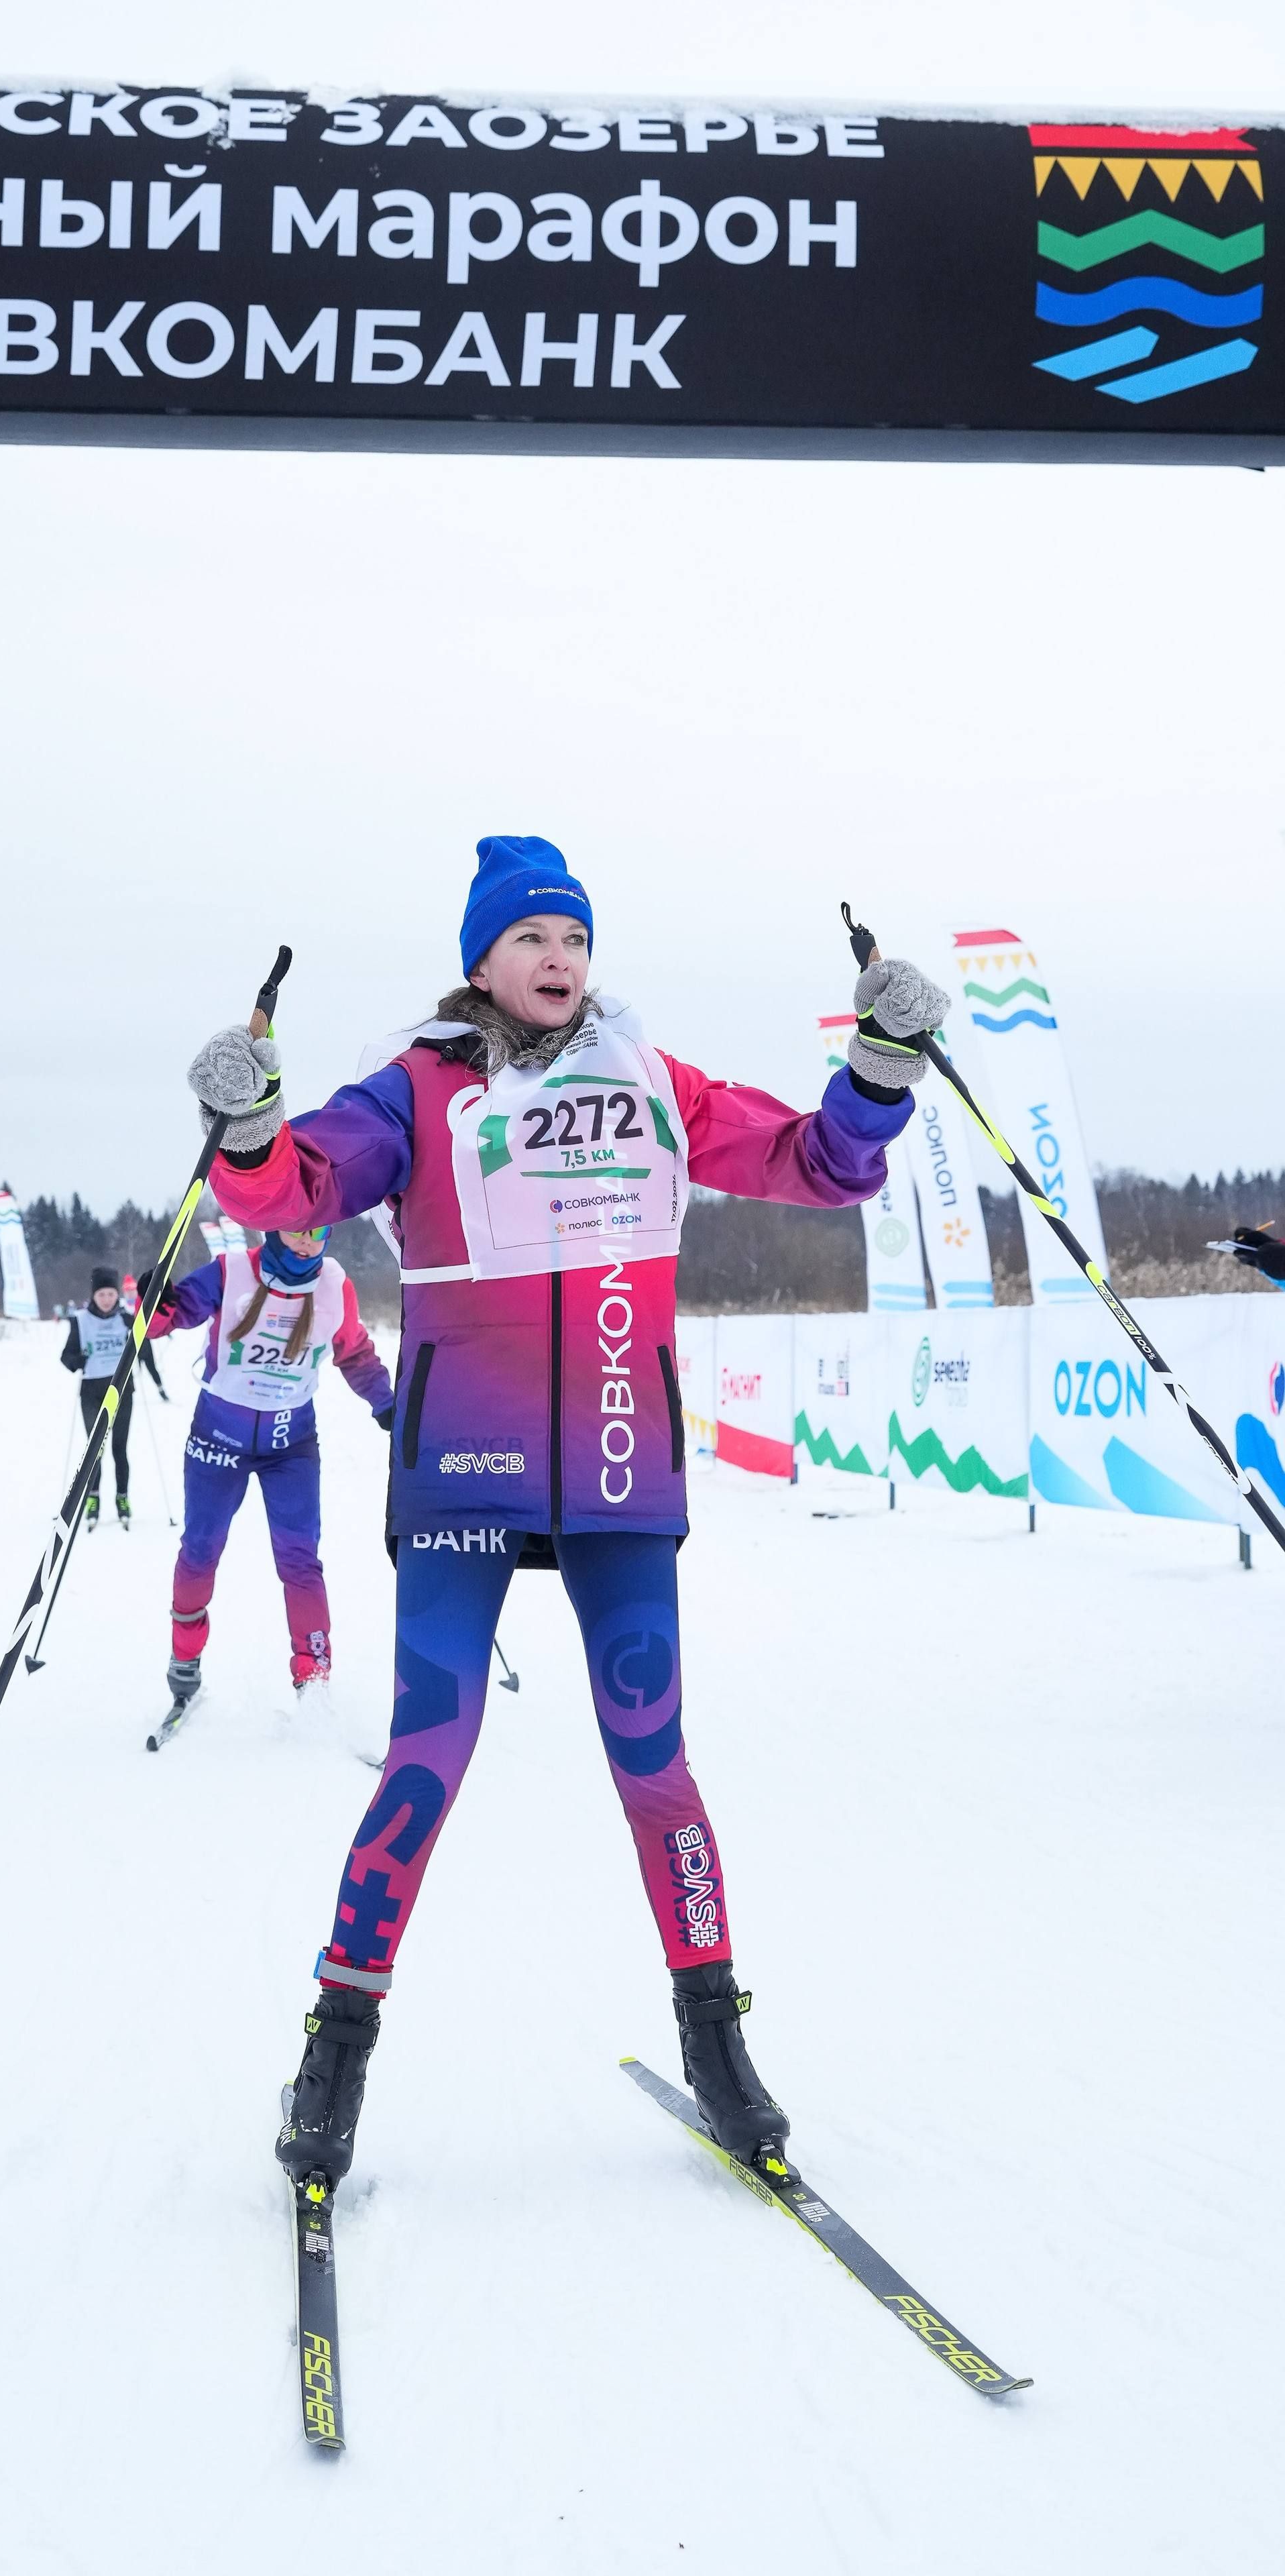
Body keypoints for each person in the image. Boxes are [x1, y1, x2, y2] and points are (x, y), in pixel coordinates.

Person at [185, 835, 944, 2197]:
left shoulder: (650, 1079)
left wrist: (880, 1063)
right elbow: (294, 1190)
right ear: (478, 959)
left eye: (574, 940)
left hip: (616, 1453)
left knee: (651, 1755)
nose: (557, 961)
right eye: (529, 939)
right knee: (430, 1750)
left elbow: (819, 1162)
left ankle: (715, 2041)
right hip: (463, 1463)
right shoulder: (419, 1087)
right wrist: (246, 1129)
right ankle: (335, 2047)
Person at [142, 1224, 394, 1707]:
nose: (306, 1241)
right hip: (218, 1440)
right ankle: (185, 1663)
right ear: (275, 1228)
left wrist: (387, 1405)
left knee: (301, 1561)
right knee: (200, 1550)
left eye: (317, 1232)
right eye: (297, 1230)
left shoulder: (333, 1286)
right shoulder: (231, 1272)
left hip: (291, 1444)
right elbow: (166, 1320)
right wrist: (157, 1301)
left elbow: (355, 1353)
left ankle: (313, 1679)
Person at [60, 1266, 144, 1528]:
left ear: (117, 1295)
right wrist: (79, 1360)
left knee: (120, 1449)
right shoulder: (80, 1320)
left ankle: (122, 1498)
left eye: (110, 1294)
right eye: (101, 1295)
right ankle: (93, 1498)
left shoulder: (126, 1319)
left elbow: (145, 1348)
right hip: (92, 1392)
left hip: (121, 1390)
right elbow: (66, 1357)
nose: (106, 1300)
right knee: (94, 1450)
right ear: (94, 1296)